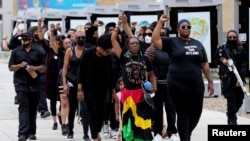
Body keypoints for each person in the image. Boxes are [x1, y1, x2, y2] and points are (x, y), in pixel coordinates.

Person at [151, 14, 214, 141]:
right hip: (177, 83)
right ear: (178, 29)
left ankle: (187, 132)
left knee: (196, 112)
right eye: (183, 26)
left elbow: (205, 64)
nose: (186, 28)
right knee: (182, 112)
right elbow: (155, 39)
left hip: (196, 84)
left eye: (188, 26)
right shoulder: (172, 42)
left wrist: (210, 82)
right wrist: (160, 22)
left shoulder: (198, 44)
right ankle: (185, 138)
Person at [111, 16, 157, 141]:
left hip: (142, 95)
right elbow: (113, 40)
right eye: (132, 44)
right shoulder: (124, 57)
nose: (135, 45)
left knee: (143, 123)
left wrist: (154, 86)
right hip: (128, 96)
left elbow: (151, 74)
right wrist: (118, 25)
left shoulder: (145, 59)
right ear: (128, 46)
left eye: (137, 43)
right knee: (128, 124)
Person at [77, 33, 117, 141]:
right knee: (92, 111)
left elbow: (111, 75)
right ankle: (94, 136)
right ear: (99, 47)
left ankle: (97, 132)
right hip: (89, 88)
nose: (108, 53)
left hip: (103, 88)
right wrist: (80, 89)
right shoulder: (88, 53)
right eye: (106, 51)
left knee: (101, 112)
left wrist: (113, 92)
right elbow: (81, 72)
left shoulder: (107, 57)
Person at [8, 30, 45, 141]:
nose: (25, 40)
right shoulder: (16, 51)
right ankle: (22, 133)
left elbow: (44, 66)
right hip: (21, 84)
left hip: (35, 83)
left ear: (31, 39)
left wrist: (35, 68)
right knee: (23, 108)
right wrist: (19, 65)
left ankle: (32, 132)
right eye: (23, 38)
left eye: (27, 38)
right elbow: (10, 67)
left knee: (33, 109)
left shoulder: (38, 51)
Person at [145, 26, 179, 141]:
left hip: (171, 85)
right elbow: (146, 68)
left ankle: (172, 133)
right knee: (156, 110)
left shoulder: (173, 49)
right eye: (160, 33)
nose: (162, 36)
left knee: (171, 109)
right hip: (156, 85)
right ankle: (157, 133)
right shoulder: (151, 50)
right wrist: (146, 84)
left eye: (164, 34)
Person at [214, 30, 247, 125]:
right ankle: (232, 121)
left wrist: (240, 78)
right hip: (227, 79)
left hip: (239, 78)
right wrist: (222, 59)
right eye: (230, 37)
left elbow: (244, 64)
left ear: (237, 38)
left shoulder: (241, 49)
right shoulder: (222, 48)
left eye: (234, 37)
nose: (232, 39)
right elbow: (215, 59)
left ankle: (230, 114)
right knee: (231, 101)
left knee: (240, 99)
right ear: (227, 38)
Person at [62, 30, 90, 140]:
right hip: (72, 83)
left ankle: (86, 133)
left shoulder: (88, 51)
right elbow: (65, 68)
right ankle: (70, 131)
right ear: (75, 38)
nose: (81, 39)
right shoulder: (70, 51)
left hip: (84, 84)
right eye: (79, 37)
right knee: (72, 109)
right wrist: (64, 84)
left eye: (83, 37)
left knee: (85, 109)